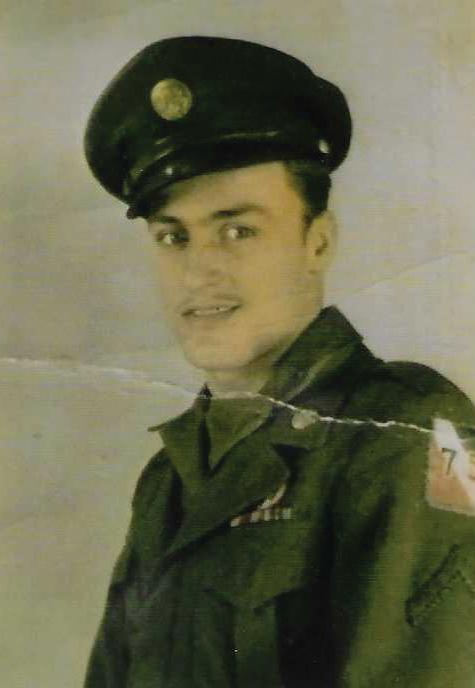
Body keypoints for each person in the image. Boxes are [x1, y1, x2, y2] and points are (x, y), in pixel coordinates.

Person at [83, 36, 475, 688]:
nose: (199, 270)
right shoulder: (168, 479)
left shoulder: (414, 432)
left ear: (316, 243)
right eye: (173, 236)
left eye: (237, 229)